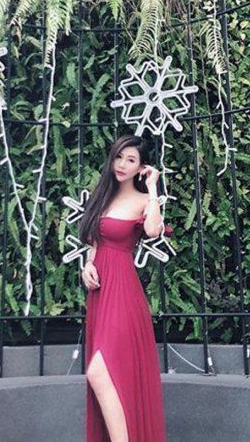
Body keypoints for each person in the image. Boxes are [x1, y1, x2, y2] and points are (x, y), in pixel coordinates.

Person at [79, 134, 167, 442]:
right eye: (119, 157)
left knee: (99, 372)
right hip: (100, 292)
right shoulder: (102, 196)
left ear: (141, 167)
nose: (122, 164)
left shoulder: (143, 200)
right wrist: (87, 266)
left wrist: (153, 188)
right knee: (106, 376)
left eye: (131, 160)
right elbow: (94, 243)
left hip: (123, 292)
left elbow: (153, 230)